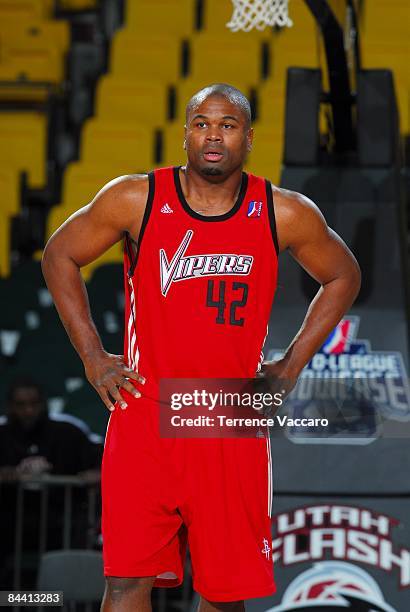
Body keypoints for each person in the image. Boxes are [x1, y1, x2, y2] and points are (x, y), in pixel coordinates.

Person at [41, 84, 361, 612]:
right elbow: (59, 255)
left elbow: (343, 275)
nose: (214, 136)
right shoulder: (135, 197)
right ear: (186, 133)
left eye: (228, 125)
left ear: (249, 137)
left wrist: (290, 366)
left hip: (227, 416)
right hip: (145, 412)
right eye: (202, 124)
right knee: (125, 582)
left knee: (223, 591)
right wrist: (94, 357)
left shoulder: (283, 211)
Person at [0, 377, 102, 588]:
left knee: (66, 574)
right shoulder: (3, 434)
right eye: (21, 405)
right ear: (10, 406)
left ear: (43, 403)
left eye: (34, 404)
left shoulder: (68, 432)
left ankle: (61, 604)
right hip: (9, 523)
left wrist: (96, 473)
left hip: (59, 523)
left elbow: (100, 459)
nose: (28, 411)